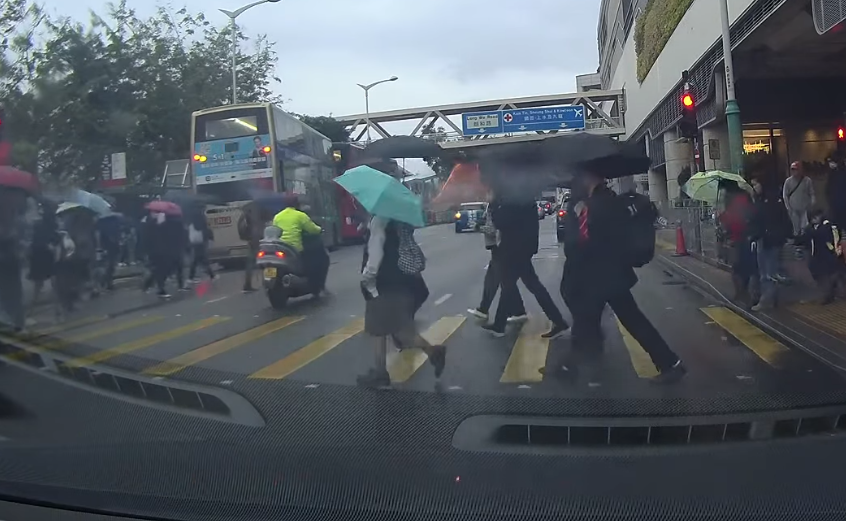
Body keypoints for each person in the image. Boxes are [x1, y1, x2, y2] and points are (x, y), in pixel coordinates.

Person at [561, 169, 685, 384]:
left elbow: (582, 243)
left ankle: (571, 366)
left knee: (594, 318)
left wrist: (581, 216)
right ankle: (669, 363)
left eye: (581, 177)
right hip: (608, 275)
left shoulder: (599, 204)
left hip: (602, 275)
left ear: (591, 178)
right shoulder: (604, 201)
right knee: (604, 319)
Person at [358, 214, 446, 388]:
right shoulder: (399, 220)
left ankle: (381, 374)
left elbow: (375, 255)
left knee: (379, 331)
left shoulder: (379, 222)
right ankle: (434, 352)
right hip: (404, 282)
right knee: (403, 332)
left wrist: (367, 278)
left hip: (383, 285)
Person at [481, 197, 569, 339]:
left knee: (515, 285)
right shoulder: (525, 198)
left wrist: (494, 207)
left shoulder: (515, 200)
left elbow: (501, 222)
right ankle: (500, 325)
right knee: (521, 285)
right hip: (523, 247)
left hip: (515, 249)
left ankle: (499, 326)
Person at [468, 194, 527, 323]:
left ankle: (513, 312)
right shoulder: (492, 206)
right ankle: (486, 309)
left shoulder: (496, 206)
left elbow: (494, 230)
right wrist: (481, 221)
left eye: (487, 193)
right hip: (498, 248)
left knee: (502, 282)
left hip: (500, 247)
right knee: (497, 281)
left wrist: (479, 227)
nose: (485, 195)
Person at [749, 176, 792, 311]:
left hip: (767, 240)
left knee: (767, 273)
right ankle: (772, 299)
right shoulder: (768, 200)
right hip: (767, 239)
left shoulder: (768, 202)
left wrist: (756, 235)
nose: (754, 188)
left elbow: (762, 221)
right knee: (770, 272)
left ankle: (766, 300)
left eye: (756, 185)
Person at [271, 193, 328, 293]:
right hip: (295, 250)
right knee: (318, 260)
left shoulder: (277, 217)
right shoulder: (300, 215)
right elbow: (312, 229)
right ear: (297, 204)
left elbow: (274, 230)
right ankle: (317, 285)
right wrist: (320, 229)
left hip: (280, 248)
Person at [795, 209, 843, 305]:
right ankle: (830, 292)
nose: (814, 220)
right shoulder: (813, 228)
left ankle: (829, 294)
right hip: (820, 254)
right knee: (824, 274)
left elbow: (824, 236)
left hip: (829, 252)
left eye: (815, 217)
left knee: (829, 274)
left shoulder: (827, 226)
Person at [782, 161, 815, 257]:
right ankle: (798, 249)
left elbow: (811, 193)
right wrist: (788, 207)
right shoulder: (788, 181)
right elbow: (785, 195)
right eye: (792, 170)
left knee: (805, 227)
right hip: (793, 209)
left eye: (796, 169)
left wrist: (812, 203)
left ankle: (805, 247)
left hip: (805, 209)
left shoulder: (807, 180)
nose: (794, 172)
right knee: (796, 229)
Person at [187, 212, 215, 282]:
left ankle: (191, 277)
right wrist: (210, 238)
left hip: (194, 242)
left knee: (197, 259)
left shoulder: (191, 221)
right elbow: (206, 231)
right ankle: (211, 275)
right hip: (201, 241)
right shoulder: (201, 220)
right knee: (201, 258)